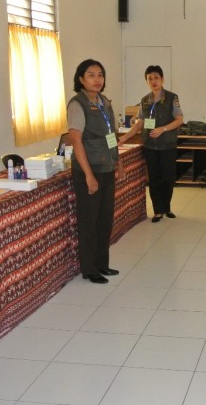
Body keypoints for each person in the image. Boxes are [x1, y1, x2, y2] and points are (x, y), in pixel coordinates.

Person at [67, 59, 124, 284]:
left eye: (100, 74)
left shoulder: (104, 102)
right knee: (89, 221)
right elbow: (76, 141)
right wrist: (88, 174)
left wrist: (118, 162)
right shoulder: (77, 104)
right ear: (81, 79)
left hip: (107, 167)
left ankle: (102, 264)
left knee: (104, 219)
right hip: (89, 169)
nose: (97, 79)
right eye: (91, 75)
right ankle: (89, 269)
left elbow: (111, 136)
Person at [119, 65, 184, 222]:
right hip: (150, 146)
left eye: (156, 77)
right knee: (154, 178)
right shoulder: (145, 100)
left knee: (168, 178)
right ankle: (158, 211)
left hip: (167, 144)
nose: (153, 81)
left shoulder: (171, 98)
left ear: (162, 79)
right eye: (150, 78)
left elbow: (179, 119)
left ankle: (166, 207)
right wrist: (124, 138)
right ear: (147, 81)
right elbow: (139, 123)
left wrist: (163, 128)